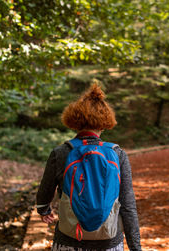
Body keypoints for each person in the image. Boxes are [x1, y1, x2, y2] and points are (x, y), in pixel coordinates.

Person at [36, 83, 142, 251]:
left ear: (74, 121)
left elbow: (44, 192)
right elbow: (128, 206)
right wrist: (136, 248)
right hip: (109, 242)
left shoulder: (61, 152)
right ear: (105, 123)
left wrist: (43, 210)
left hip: (69, 240)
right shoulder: (117, 154)